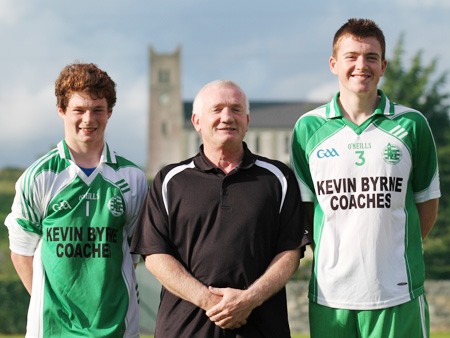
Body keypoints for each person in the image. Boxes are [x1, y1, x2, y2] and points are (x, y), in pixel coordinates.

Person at [290, 18, 440, 338]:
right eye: (352, 57)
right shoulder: (306, 129)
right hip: (332, 295)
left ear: (383, 65)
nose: (362, 65)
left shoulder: (412, 125)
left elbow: (427, 206)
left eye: (371, 57)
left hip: (398, 292)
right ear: (334, 64)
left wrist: (390, 248)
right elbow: (305, 212)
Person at [130, 80, 306, 337]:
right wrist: (210, 301)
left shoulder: (278, 178)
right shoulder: (170, 180)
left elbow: (290, 253)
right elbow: (155, 255)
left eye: (236, 110)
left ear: (247, 120)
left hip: (261, 328)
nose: (227, 117)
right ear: (197, 121)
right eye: (217, 109)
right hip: (184, 330)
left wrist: (247, 301)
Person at [5, 62, 148, 338]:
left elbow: (133, 255)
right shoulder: (38, 177)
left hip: (117, 329)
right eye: (79, 110)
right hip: (51, 330)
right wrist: (54, 306)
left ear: (110, 112)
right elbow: (21, 253)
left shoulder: (133, 178)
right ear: (61, 110)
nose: (88, 119)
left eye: (97, 110)